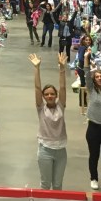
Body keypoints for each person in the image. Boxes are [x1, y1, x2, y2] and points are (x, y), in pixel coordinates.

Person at [29, 52, 68, 190]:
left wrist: (62, 68)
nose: (49, 96)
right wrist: (37, 68)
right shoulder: (41, 108)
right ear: (43, 97)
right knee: (45, 184)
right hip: (45, 150)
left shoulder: (61, 106)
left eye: (52, 94)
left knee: (57, 185)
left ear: (56, 95)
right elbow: (37, 88)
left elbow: (63, 87)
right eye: (46, 94)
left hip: (61, 151)